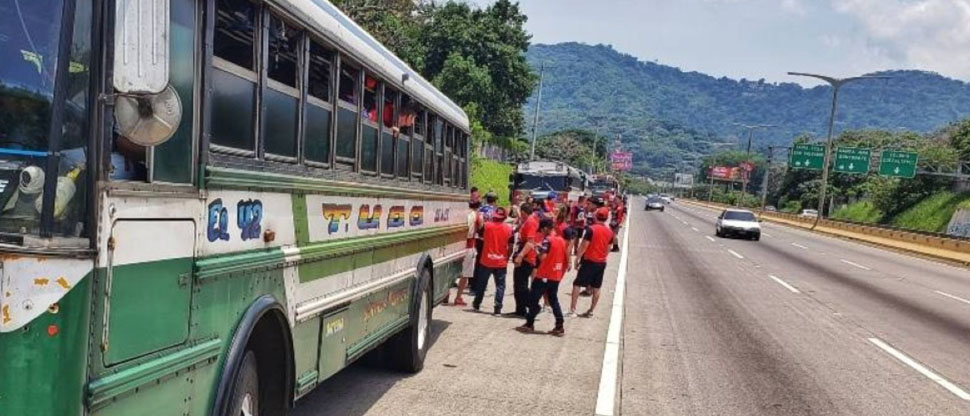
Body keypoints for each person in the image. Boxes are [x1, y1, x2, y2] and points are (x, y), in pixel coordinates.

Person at [517, 219, 572, 336]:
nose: (541, 233)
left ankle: (529, 323)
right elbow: (565, 255)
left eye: (541, 231)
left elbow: (543, 258)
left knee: (533, 299)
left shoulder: (547, 240)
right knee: (553, 300)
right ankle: (559, 325)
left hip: (544, 274)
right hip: (556, 275)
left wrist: (537, 249)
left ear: (545, 228)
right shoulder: (561, 240)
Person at [569, 207, 614, 318]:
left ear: (596, 216)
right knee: (596, 287)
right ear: (606, 218)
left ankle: (573, 309)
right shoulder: (610, 232)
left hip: (589, 261)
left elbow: (583, 245)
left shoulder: (591, 229)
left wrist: (577, 258)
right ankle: (591, 310)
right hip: (601, 262)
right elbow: (608, 248)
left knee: (577, 284)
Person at [472, 207, 514, 315]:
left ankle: (477, 303)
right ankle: (497, 308)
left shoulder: (486, 226)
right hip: (501, 262)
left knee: (482, 283)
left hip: (486, 260)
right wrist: (507, 257)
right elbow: (510, 247)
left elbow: (479, 237)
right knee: (500, 285)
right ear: (504, 217)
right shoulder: (509, 229)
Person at [451, 200, 482, 306]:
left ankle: (446, 295)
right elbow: (481, 226)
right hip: (469, 245)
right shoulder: (477, 215)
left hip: (455, 245)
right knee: (466, 274)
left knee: (451, 270)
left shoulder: (459, 212)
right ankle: (458, 297)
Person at [512, 203, 540, 316]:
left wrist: (520, 255)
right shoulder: (527, 221)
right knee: (518, 284)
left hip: (527, 258)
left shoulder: (531, 222)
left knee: (521, 285)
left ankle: (533, 305)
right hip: (524, 256)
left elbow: (530, 242)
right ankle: (520, 310)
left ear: (523, 212)